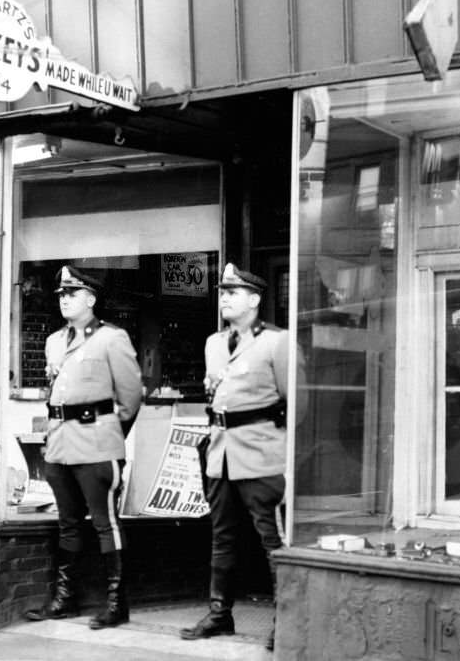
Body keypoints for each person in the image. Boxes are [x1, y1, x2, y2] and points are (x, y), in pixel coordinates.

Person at [24, 265, 143, 629]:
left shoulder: (112, 338)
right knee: (68, 524)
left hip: (96, 445)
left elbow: (131, 397)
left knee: (106, 524)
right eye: (61, 294)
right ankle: (65, 599)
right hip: (60, 446)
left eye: (72, 293)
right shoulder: (54, 341)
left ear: (91, 299)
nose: (64, 299)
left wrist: (108, 434)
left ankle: (115, 603)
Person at [181, 263, 288, 651]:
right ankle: (219, 613)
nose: (224, 297)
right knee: (222, 537)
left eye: (233, 292)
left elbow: (298, 404)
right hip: (221, 455)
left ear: (255, 300)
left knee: (272, 539)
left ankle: (285, 620)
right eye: (222, 291)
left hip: (262, 455)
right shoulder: (213, 343)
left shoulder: (277, 342)